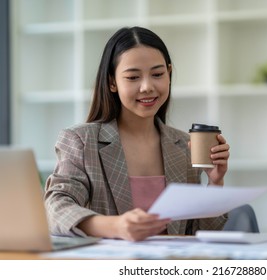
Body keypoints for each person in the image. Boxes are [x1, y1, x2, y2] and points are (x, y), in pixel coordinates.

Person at [44, 26, 230, 242]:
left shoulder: (184, 146)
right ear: (112, 82)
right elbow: (56, 207)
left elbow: (203, 235)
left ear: (169, 74)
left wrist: (215, 183)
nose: (147, 87)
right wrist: (115, 226)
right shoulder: (82, 142)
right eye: (133, 77)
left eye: (158, 74)